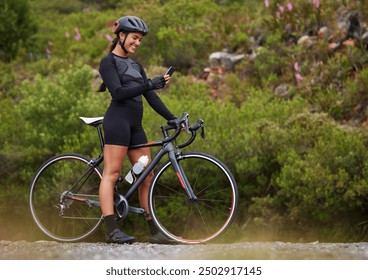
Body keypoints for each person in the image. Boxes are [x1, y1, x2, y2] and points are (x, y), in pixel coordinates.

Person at [97, 16, 177, 244]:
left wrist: (172, 118)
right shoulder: (108, 62)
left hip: (135, 125)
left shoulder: (136, 66)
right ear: (121, 36)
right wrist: (149, 83)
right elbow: (119, 93)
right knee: (111, 173)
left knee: (146, 175)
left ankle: (155, 232)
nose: (137, 43)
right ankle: (111, 229)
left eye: (140, 39)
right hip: (118, 122)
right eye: (134, 38)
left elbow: (150, 97)